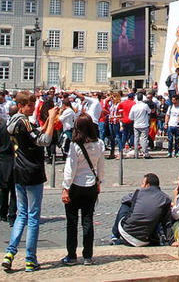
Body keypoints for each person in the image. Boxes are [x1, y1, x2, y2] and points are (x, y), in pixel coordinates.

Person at [2, 91, 59, 273]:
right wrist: (50, 119)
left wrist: (47, 122)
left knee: (21, 214)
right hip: (32, 170)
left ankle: (10, 253)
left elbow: (33, 135)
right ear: (21, 106)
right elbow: (44, 140)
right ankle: (30, 259)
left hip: (19, 169)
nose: (32, 108)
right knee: (33, 217)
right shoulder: (24, 122)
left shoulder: (12, 122)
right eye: (30, 106)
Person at [60, 113, 105, 266]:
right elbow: (101, 166)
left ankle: (71, 256)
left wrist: (65, 188)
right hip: (91, 186)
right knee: (88, 221)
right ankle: (88, 256)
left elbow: (70, 169)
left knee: (72, 223)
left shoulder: (75, 145)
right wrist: (99, 181)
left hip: (75, 186)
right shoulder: (99, 144)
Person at [112, 173, 173, 247]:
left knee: (125, 205)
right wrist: (171, 241)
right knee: (157, 213)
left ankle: (115, 235)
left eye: (142, 183)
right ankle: (161, 236)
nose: (141, 186)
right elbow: (167, 223)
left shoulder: (138, 192)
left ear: (147, 185)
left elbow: (124, 199)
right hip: (145, 239)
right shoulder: (165, 198)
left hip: (126, 233)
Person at [0, 104, 18, 225]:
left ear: (8, 114)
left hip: (3, 160)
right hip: (16, 160)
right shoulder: (19, 127)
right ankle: (12, 215)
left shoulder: (2, 127)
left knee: (4, 190)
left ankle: (2, 214)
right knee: (14, 191)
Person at [129, 94, 152, 159]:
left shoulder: (134, 106)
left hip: (136, 124)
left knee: (136, 139)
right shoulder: (145, 105)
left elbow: (130, 117)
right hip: (144, 124)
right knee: (144, 139)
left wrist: (135, 118)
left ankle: (136, 154)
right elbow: (149, 111)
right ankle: (145, 153)